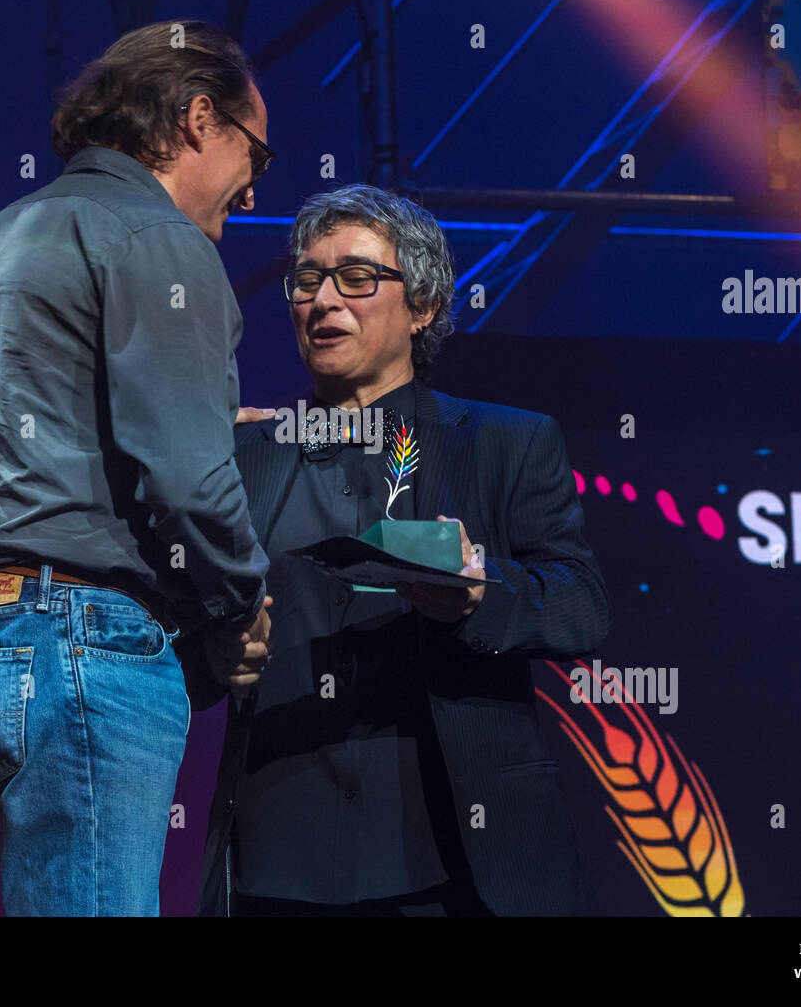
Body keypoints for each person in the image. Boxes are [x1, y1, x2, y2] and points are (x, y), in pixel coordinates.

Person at [0, 19, 274, 916]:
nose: (249, 193)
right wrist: (239, 605)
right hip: (80, 638)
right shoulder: (159, 241)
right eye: (257, 156)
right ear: (200, 118)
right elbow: (191, 480)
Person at [183, 183, 611, 916]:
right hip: (279, 862)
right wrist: (212, 653)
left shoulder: (505, 442)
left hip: (459, 862)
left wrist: (484, 594)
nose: (322, 300)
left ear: (423, 307)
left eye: (355, 277)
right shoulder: (241, 454)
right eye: (307, 279)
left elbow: (581, 604)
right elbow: (177, 632)